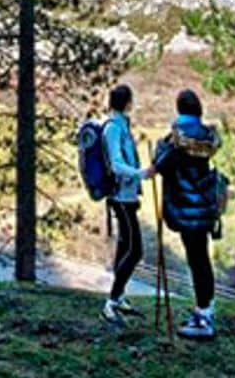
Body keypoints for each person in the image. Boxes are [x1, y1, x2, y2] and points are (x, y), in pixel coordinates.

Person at [151, 88, 222, 341]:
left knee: (197, 259)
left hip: (185, 207)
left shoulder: (176, 138)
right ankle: (206, 308)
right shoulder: (206, 136)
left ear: (179, 108)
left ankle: (204, 316)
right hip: (203, 206)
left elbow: (161, 164)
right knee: (201, 258)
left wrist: (160, 147)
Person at [101, 83, 150, 323]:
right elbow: (116, 163)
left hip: (127, 197)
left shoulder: (121, 126)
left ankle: (118, 296)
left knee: (124, 247)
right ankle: (111, 300)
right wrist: (141, 174)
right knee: (135, 250)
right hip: (120, 197)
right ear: (128, 102)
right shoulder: (114, 129)